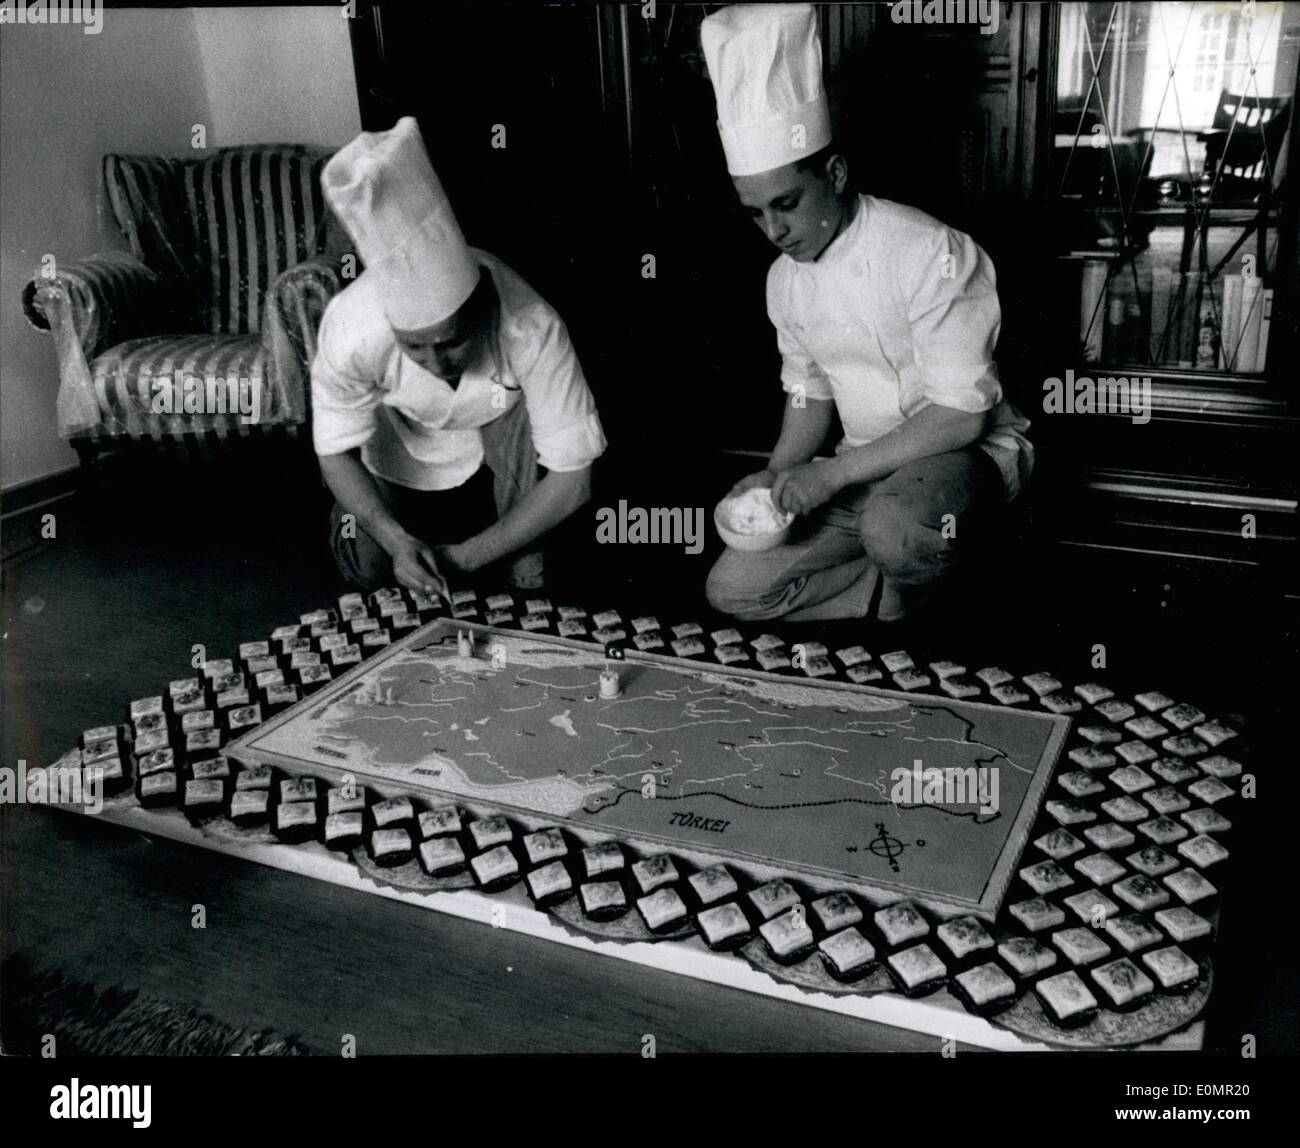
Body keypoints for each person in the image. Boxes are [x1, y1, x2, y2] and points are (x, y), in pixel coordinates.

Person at [700, 4, 1032, 624]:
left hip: (960, 463)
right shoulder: (784, 281)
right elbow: (808, 391)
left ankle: (934, 587)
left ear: (835, 172)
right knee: (734, 590)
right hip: (863, 469)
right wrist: (777, 473)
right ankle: (895, 593)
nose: (773, 230)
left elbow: (962, 416)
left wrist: (830, 478)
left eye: (787, 203)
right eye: (754, 213)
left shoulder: (927, 250)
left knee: (896, 527)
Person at [312, 117, 606, 596]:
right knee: (371, 570)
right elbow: (335, 454)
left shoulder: (530, 325)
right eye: (414, 346)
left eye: (451, 342)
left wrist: (461, 559)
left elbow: (573, 479)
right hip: (397, 433)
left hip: (500, 430)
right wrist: (396, 541)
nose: (435, 362)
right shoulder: (350, 327)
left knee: (531, 576)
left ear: (481, 307)